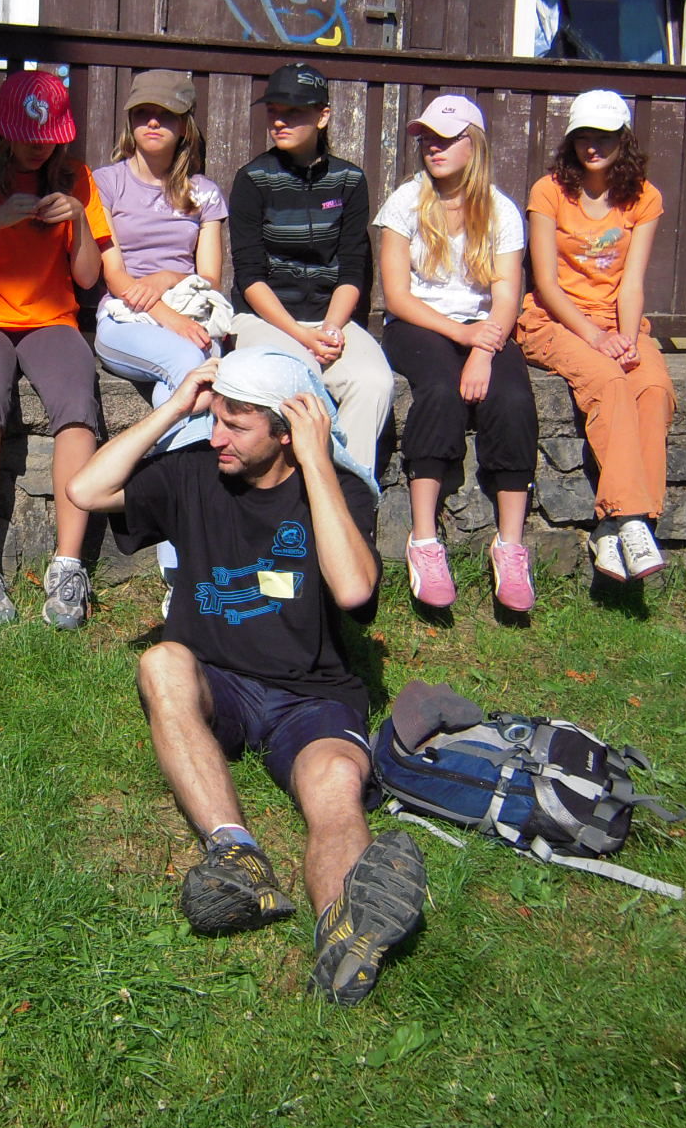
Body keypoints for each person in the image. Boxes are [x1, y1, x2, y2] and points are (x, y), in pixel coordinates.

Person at [67, 348, 424, 1006]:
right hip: (218, 678)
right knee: (160, 662)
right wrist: (175, 408)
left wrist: (317, 462)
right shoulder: (196, 472)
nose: (217, 436)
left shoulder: (336, 491)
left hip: (311, 693)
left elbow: (354, 590)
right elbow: (85, 491)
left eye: (236, 425)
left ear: (286, 432)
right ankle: (238, 857)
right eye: (215, 419)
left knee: (335, 784)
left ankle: (344, 932)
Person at [0, 69, 111, 628]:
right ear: (4, 129)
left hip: (52, 318)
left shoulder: (75, 177)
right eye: (28, 136)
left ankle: (68, 564)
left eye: (49, 137)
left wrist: (79, 220)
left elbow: (87, 278)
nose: (39, 147)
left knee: (78, 404)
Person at [375, 94, 537, 612]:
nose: (434, 147)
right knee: (440, 391)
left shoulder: (501, 209)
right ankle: (424, 539)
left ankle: (510, 546)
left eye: (446, 138)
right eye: (427, 138)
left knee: (512, 400)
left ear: (475, 144)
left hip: (483, 327)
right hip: (418, 324)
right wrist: (462, 338)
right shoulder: (405, 202)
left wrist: (483, 349)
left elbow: (507, 294)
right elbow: (397, 297)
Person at [518, 90, 676, 583]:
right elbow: (546, 283)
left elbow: (632, 283)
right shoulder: (549, 191)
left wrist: (626, 339)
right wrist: (595, 337)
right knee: (607, 382)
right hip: (556, 320)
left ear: (623, 139)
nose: (593, 146)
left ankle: (613, 527)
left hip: (617, 321)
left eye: (604, 136)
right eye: (583, 136)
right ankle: (632, 517)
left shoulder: (644, 197)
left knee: (653, 389)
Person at [92, 69, 228, 582]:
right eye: (143, 114)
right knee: (195, 368)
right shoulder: (106, 183)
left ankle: (179, 565)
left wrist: (170, 278)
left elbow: (209, 276)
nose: (153, 123)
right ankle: (189, 560)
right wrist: (164, 313)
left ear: (184, 126)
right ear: (130, 121)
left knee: (187, 394)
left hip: (188, 310)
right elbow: (116, 276)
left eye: (165, 115)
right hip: (124, 319)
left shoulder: (204, 193)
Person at [227, 62, 394, 472]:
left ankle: (350, 490)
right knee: (295, 380)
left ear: (323, 116)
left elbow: (353, 269)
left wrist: (331, 329)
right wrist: (300, 334)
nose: (279, 121)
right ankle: (300, 492)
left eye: (294, 112)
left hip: (329, 318)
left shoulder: (349, 181)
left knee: (374, 383)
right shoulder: (253, 179)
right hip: (265, 318)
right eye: (273, 111)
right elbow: (250, 276)